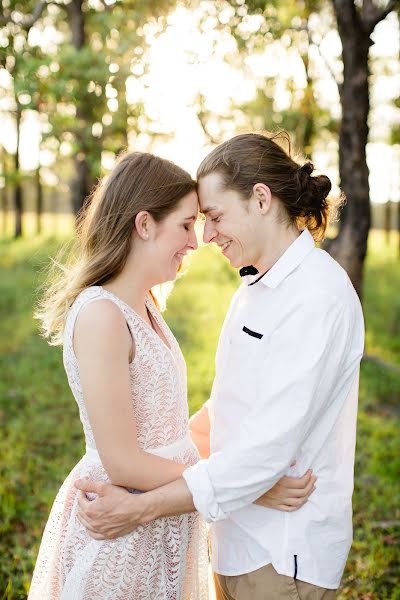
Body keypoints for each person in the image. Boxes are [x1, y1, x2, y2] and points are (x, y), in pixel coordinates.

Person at [76, 133, 365, 600]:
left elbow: (265, 456)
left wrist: (141, 508)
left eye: (214, 217)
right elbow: (229, 406)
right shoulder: (254, 289)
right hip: (231, 540)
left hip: (279, 554)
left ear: (261, 199)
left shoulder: (317, 298)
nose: (206, 237)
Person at [29, 150, 312, 600]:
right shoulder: (102, 315)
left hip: (162, 515)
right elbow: (123, 461)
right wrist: (246, 487)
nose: (196, 240)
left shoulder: (144, 305)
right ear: (144, 224)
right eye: (184, 225)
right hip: (123, 521)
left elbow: (166, 425)